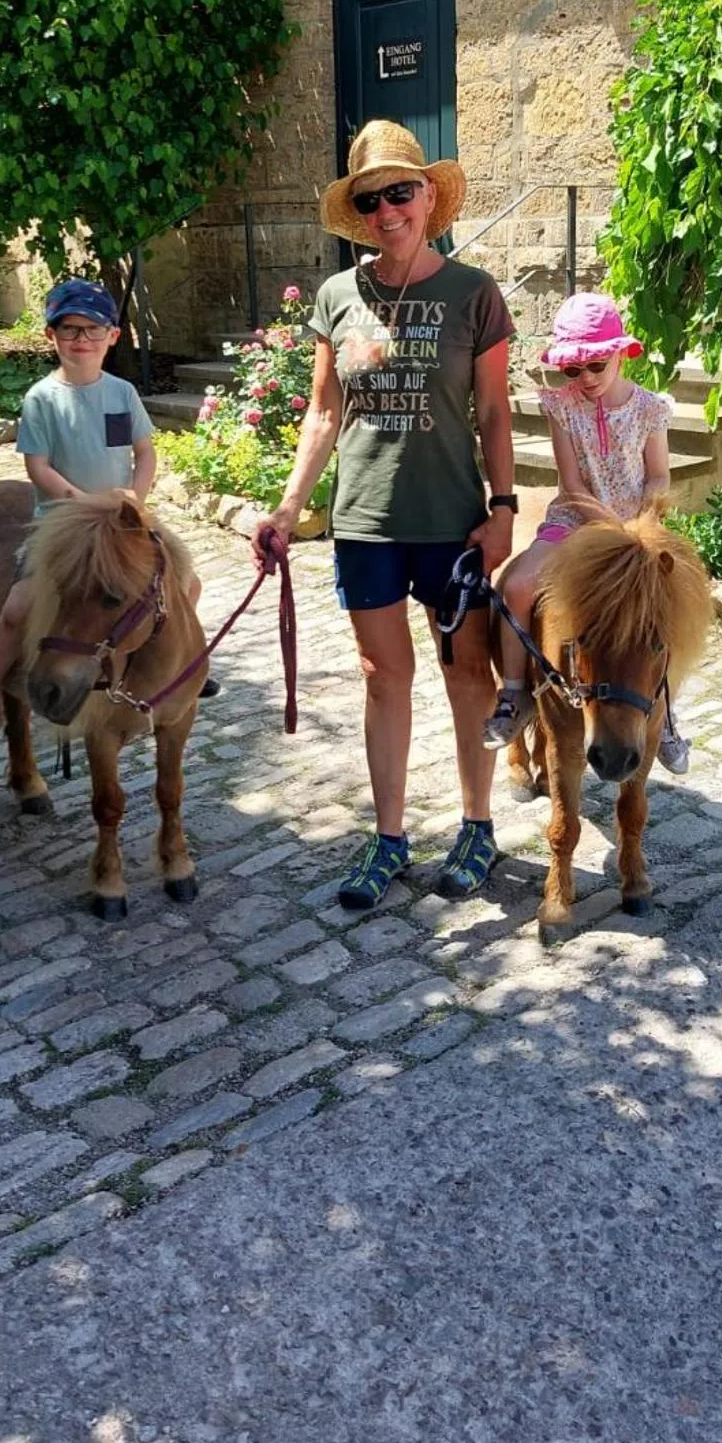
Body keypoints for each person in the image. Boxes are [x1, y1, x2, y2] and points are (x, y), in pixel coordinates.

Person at [252, 121, 517, 910]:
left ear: (430, 197)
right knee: (382, 675)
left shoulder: (474, 293)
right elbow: (323, 413)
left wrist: (503, 509)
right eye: (372, 198)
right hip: (365, 521)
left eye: (402, 192)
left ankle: (477, 825)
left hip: (450, 522)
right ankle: (390, 837)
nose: (388, 209)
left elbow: (496, 411)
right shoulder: (339, 297)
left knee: (467, 672)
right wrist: (290, 504)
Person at [0, 277, 213, 744]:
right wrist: (81, 504)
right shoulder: (43, 399)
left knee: (185, 582)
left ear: (112, 337)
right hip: (61, 527)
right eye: (69, 330)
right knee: (15, 608)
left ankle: (180, 666)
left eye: (91, 330)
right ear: (52, 337)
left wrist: (135, 497)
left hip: (121, 523)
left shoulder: (122, 393)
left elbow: (144, 452)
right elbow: (38, 466)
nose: (81, 339)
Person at [481, 291, 690, 772]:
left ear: (620, 353)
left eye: (596, 365)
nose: (586, 379)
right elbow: (572, 484)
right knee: (515, 586)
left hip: (637, 527)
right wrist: (605, 528)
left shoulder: (650, 409)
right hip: (574, 523)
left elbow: (659, 474)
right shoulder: (563, 408)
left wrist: (641, 519)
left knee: (669, 606)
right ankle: (514, 694)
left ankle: (668, 716)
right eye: (573, 370)